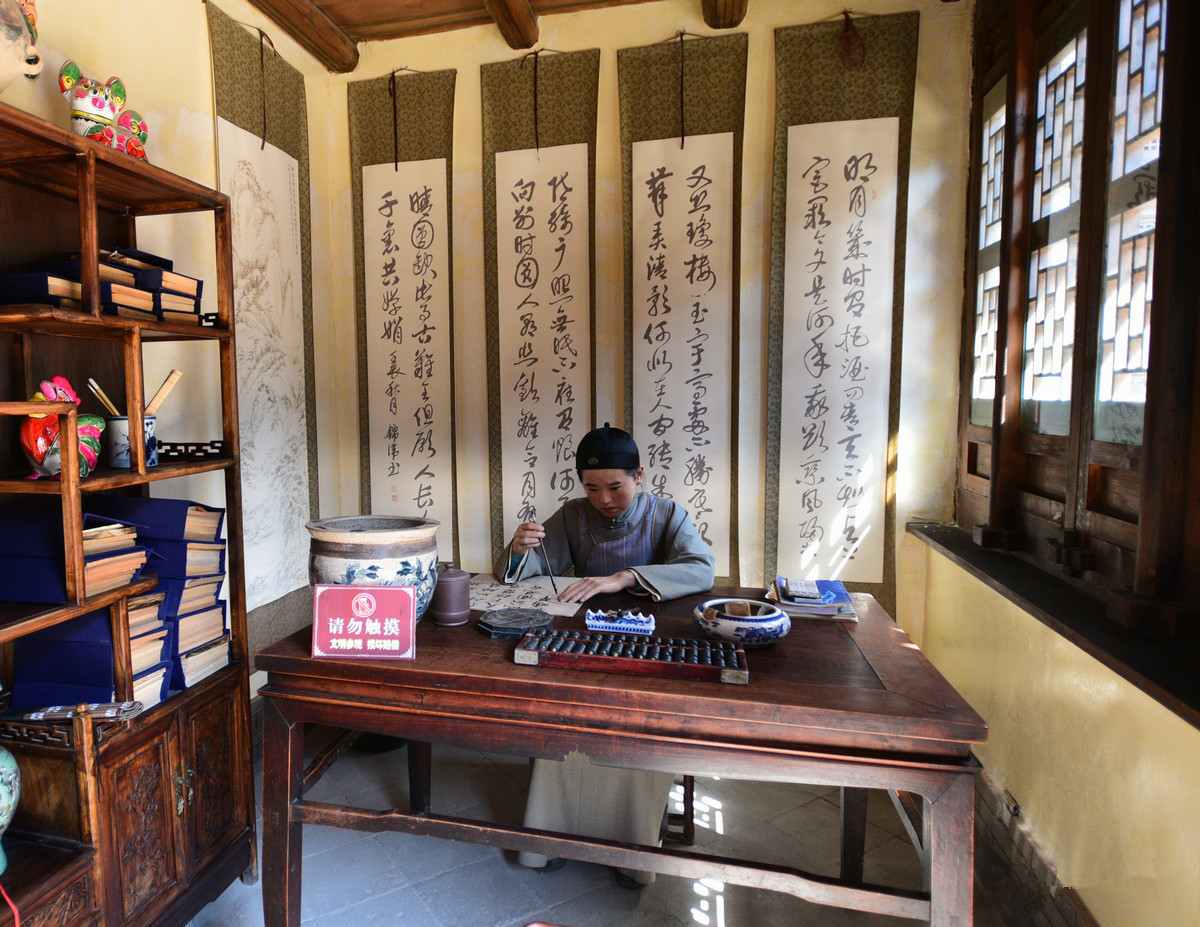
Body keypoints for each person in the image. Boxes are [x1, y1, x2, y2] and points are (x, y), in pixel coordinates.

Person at [493, 423, 716, 885]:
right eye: (592, 488)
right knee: (561, 722)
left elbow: (701, 569)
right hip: (584, 642)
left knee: (635, 727)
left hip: (649, 646)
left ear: (639, 474)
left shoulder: (667, 514)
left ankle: (631, 849)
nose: (604, 499)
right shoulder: (572, 516)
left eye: (615, 487)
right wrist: (518, 550)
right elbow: (523, 573)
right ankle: (550, 839)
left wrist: (624, 578)